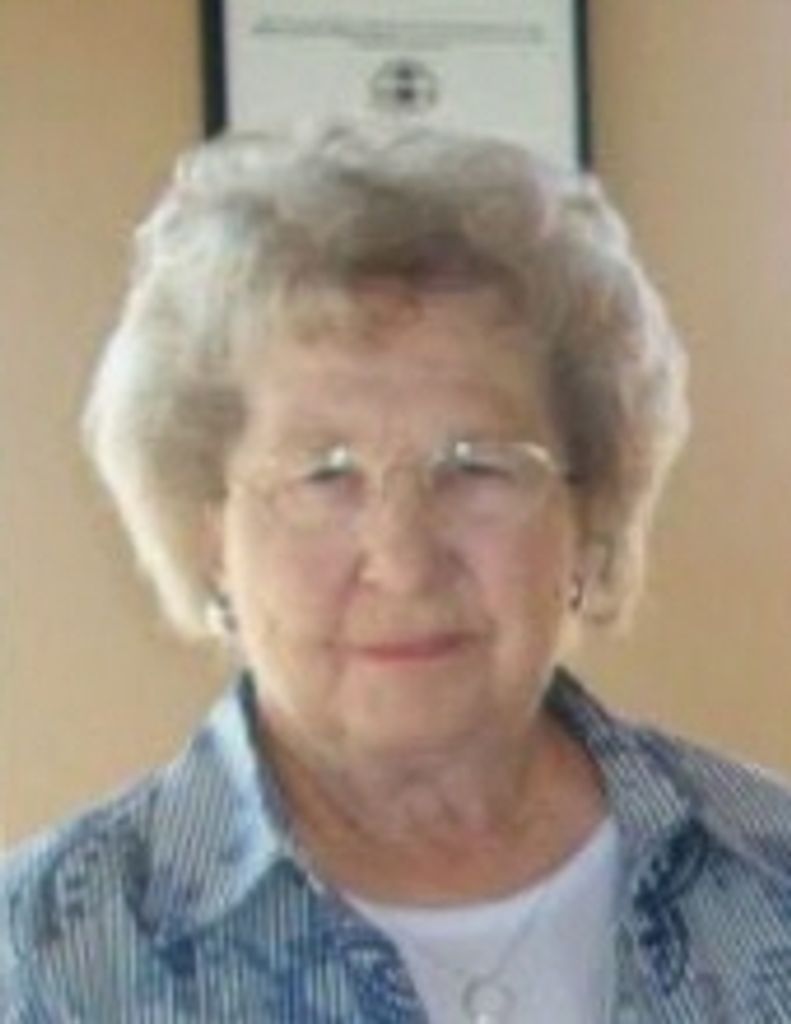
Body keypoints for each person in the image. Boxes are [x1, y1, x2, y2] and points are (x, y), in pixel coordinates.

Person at [2, 121, 790, 1024]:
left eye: (477, 466)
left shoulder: (767, 874)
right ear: (209, 533)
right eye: (323, 475)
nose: (405, 562)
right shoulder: (50, 958)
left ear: (588, 511)